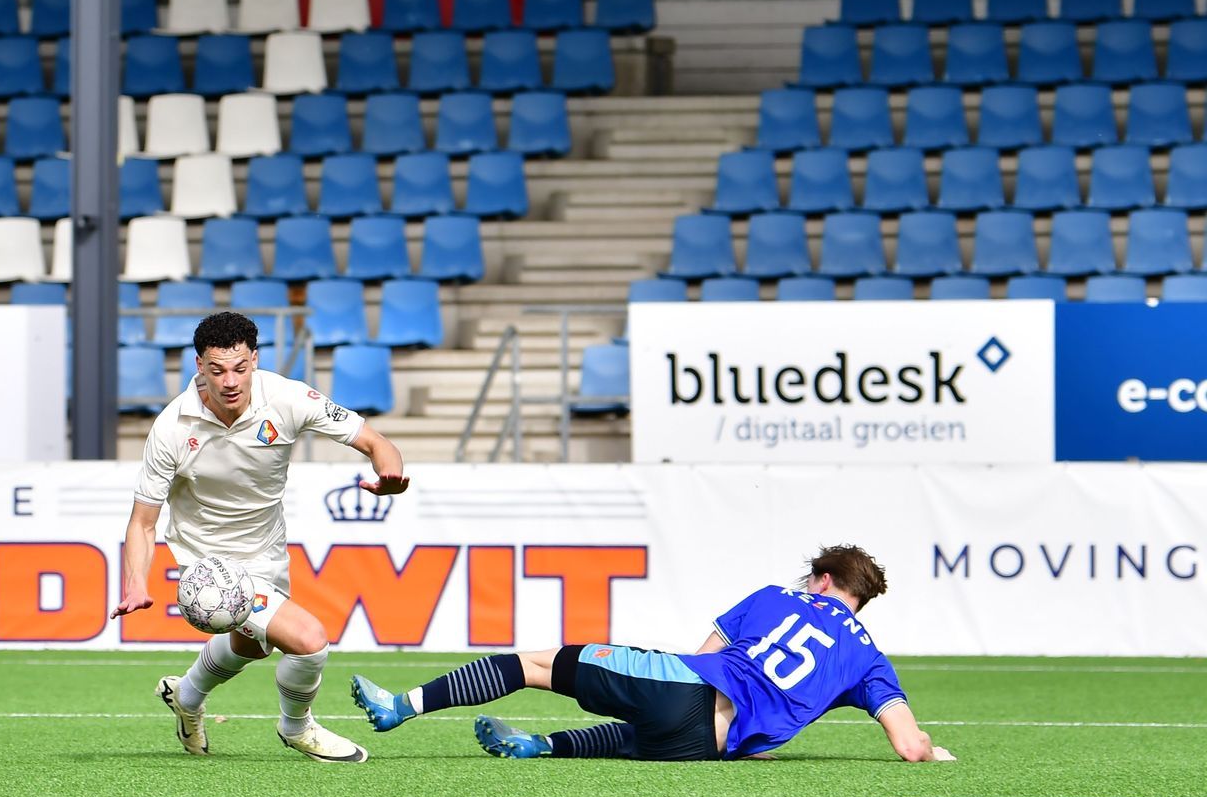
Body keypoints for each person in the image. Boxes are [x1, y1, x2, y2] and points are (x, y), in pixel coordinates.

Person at [116, 312, 410, 763]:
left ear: (254, 359)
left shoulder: (289, 398)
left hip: (266, 549)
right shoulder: (172, 427)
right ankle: (297, 727)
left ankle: (186, 696)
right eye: (217, 370)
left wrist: (390, 472)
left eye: (239, 367)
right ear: (199, 365)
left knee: (249, 647)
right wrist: (137, 581)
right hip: (208, 562)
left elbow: (375, 442)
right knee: (309, 641)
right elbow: (143, 522)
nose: (230, 381)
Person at [351, 545, 954, 764]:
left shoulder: (778, 596)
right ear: (859, 599)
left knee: (536, 664)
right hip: (709, 749)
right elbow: (908, 744)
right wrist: (933, 752)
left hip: (691, 688)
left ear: (822, 579)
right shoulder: (870, 660)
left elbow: (704, 654)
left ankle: (401, 706)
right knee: (629, 737)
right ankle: (538, 745)